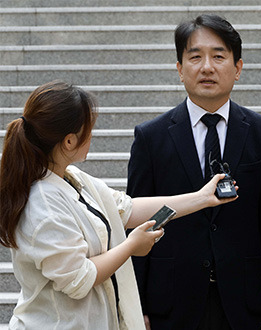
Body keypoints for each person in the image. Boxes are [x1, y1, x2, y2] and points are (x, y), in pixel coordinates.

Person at [0, 81, 236, 329]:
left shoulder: (72, 178)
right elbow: (79, 279)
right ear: (69, 141)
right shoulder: (43, 203)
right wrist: (132, 245)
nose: (92, 135)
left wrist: (203, 197)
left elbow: (126, 208)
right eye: (89, 128)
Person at [126, 14, 261, 330]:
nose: (207, 67)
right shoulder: (151, 136)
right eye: (195, 56)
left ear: (237, 68)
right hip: (170, 301)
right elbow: (139, 221)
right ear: (179, 69)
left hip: (245, 300)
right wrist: (138, 303)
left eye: (218, 56)